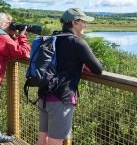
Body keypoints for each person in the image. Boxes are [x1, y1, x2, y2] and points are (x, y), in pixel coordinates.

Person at [38, 8, 103, 145]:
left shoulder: (53, 38)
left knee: (42, 139)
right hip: (60, 99)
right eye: (84, 22)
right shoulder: (77, 42)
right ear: (74, 22)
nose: (85, 25)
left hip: (44, 95)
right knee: (55, 142)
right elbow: (98, 69)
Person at [0, 13, 30, 143]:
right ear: (4, 24)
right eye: (10, 22)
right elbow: (24, 52)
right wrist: (22, 36)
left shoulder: (4, 38)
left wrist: (13, 36)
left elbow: (12, 50)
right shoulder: (3, 38)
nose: (12, 25)